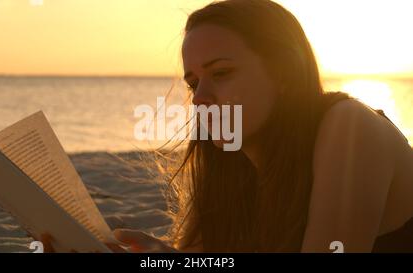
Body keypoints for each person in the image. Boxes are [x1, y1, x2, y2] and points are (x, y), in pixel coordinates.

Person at [43, 0, 413, 253]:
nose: (201, 98)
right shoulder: (231, 165)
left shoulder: (349, 129)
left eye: (222, 73)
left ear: (283, 71)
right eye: (193, 83)